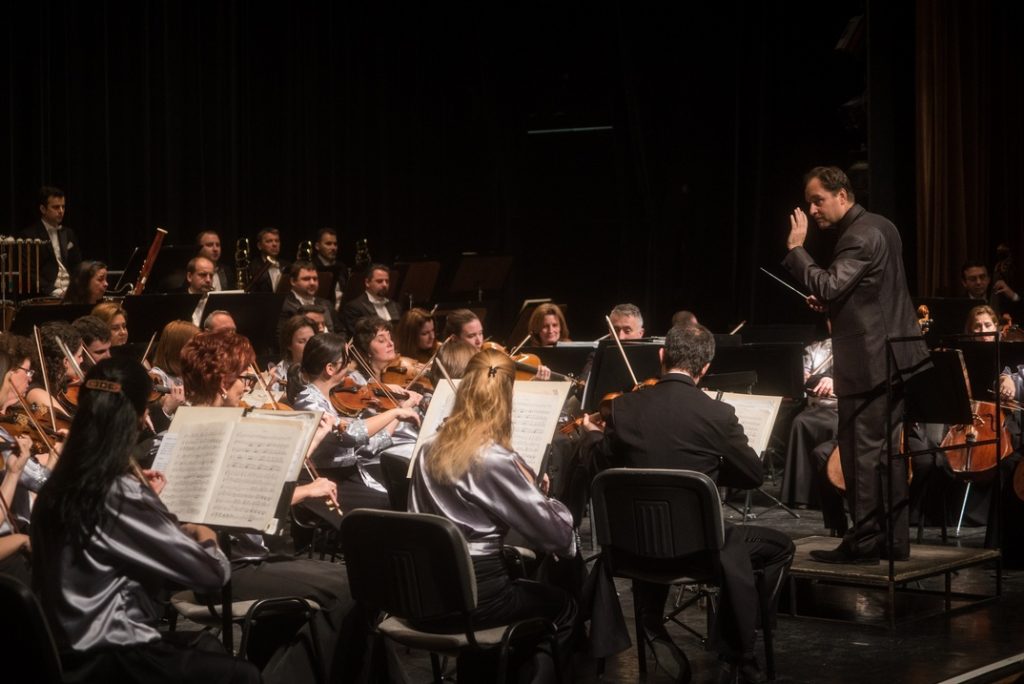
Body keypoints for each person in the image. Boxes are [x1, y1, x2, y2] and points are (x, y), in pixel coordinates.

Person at [581, 324, 794, 683]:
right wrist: (708, 472)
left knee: (657, 520)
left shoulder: (622, 408)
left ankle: (651, 620)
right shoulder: (718, 415)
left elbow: (601, 465)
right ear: (705, 367)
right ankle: (736, 646)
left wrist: (591, 437)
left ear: (661, 357)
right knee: (779, 547)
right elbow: (754, 476)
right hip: (699, 553)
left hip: (631, 551)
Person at [30, 357, 260, 683]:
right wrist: (203, 532)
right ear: (136, 418)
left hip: (60, 651)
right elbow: (210, 575)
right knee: (244, 675)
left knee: (206, 644)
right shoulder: (115, 492)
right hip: (110, 655)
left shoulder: (57, 485)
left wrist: (146, 500)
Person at [784, 165, 929, 564]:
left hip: (871, 363)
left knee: (860, 454)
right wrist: (834, 302)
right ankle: (893, 541)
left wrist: (797, 249)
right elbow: (867, 291)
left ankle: (864, 542)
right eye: (810, 201)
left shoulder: (858, 236)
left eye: (818, 200)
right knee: (888, 455)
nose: (812, 210)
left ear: (842, 195)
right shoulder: (883, 226)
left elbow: (831, 283)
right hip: (894, 359)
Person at [409, 348, 577, 682]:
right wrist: (542, 494)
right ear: (507, 399)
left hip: (421, 594)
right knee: (563, 605)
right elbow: (557, 536)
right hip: (475, 599)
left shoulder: (428, 446)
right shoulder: (492, 459)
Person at [293, 333, 420, 512]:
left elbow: (369, 446)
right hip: (327, 479)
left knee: (404, 497)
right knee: (390, 506)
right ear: (330, 368)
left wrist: (399, 413)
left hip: (351, 473)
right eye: (346, 362)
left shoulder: (334, 398)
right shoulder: (308, 401)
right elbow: (351, 435)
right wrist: (394, 412)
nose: (351, 368)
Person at [21, 186, 82, 297]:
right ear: (43, 209)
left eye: (63, 207)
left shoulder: (68, 233)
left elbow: (77, 266)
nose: (61, 211)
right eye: (56, 207)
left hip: (71, 293)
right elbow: (29, 273)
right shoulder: (29, 235)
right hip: (46, 294)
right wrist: (55, 291)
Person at [148, 321, 199, 432]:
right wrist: (168, 408)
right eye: (193, 348)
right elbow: (152, 430)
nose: (198, 353)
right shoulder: (156, 378)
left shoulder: (187, 375)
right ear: (177, 350)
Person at [341, 263, 401, 334]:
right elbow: (360, 337)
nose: (385, 285)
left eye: (387, 281)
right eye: (379, 281)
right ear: (367, 283)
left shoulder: (396, 306)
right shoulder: (354, 308)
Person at [280, 261, 337, 332]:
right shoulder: (283, 306)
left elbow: (341, 331)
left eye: (315, 279)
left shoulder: (326, 304)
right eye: (306, 279)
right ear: (293, 281)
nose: (312, 283)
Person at [272, 315, 317, 397]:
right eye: (301, 341)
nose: (309, 345)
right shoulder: (280, 372)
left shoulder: (324, 365)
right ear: (289, 345)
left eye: (312, 339)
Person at [312, 227, 348, 310]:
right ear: (317, 246)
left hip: (343, 309)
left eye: (335, 244)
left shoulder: (342, 267)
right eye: (328, 244)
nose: (333, 248)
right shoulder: (311, 267)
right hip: (322, 308)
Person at [247, 227, 288, 293]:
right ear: (259, 246)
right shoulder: (252, 267)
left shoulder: (287, 265)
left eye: (277, 241)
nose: (274, 244)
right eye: (269, 241)